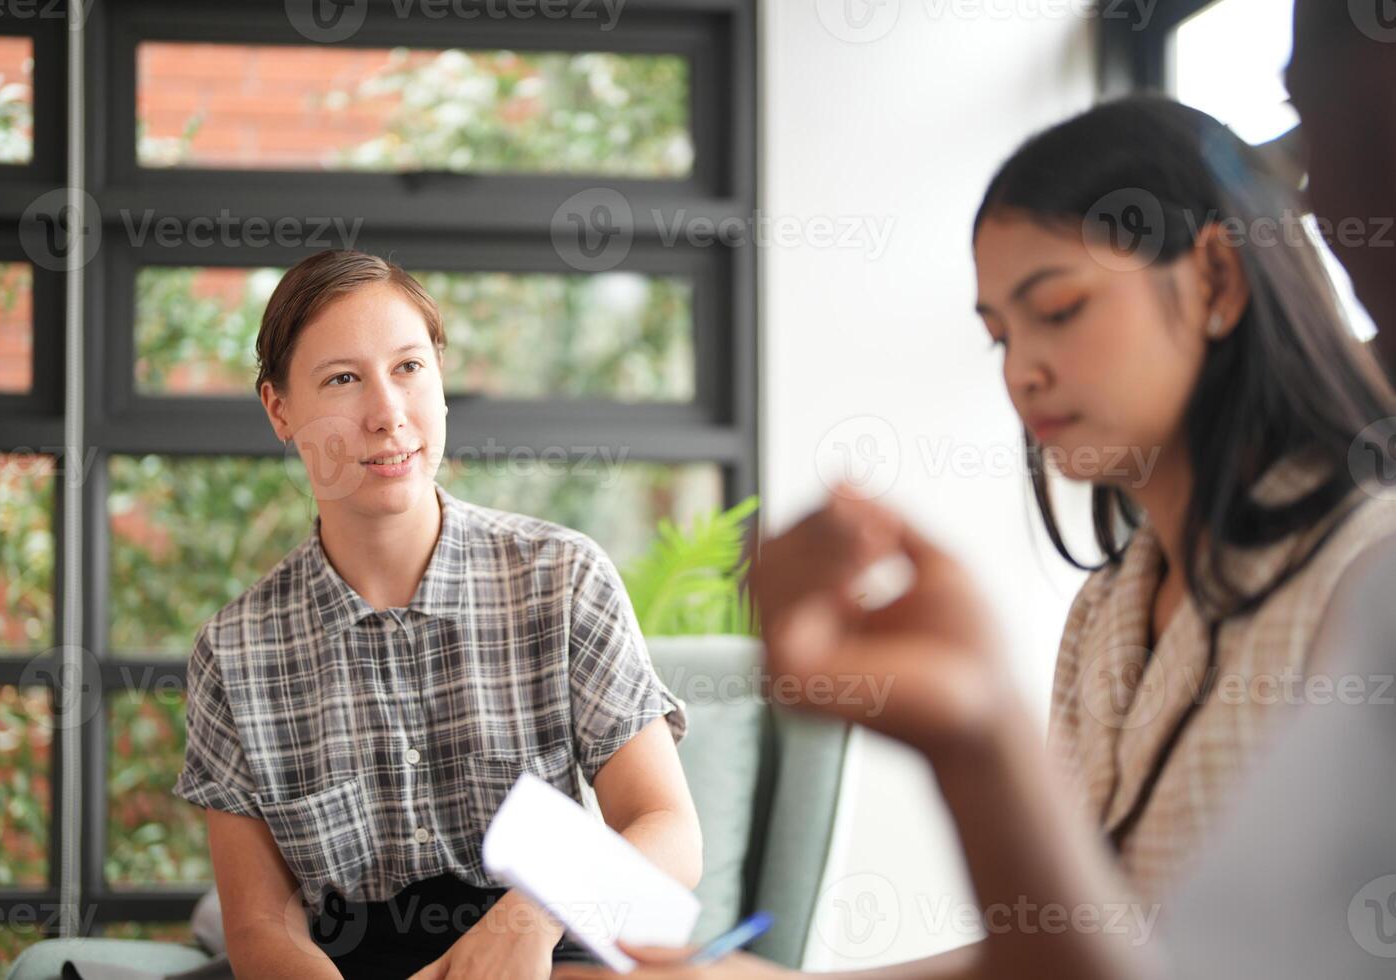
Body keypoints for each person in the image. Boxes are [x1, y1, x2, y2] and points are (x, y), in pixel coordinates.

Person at [554, 28, 1396, 980]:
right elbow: (1065, 945)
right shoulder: (1110, 611)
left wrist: (979, 735)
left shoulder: (1365, 575)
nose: (1024, 370)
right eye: (999, 335)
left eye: (1060, 309)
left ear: (1216, 277)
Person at [171, 249, 702, 980]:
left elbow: (668, 831)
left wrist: (529, 920)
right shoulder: (234, 653)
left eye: (409, 368)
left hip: (548, 951)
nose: (388, 414)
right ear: (279, 409)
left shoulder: (562, 578)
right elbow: (262, 925)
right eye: (343, 379)